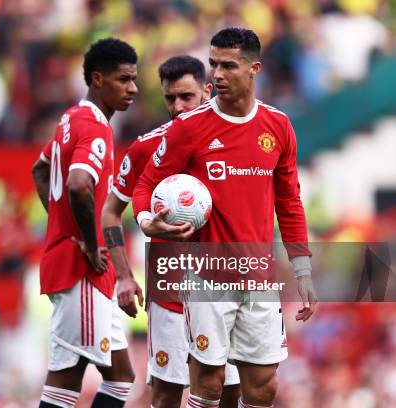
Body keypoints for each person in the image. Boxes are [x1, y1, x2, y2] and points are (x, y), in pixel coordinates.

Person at [132, 28, 318, 408]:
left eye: (228, 66)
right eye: (213, 64)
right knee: (210, 385)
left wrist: (302, 270)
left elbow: (290, 203)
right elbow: (146, 183)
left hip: (259, 272)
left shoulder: (277, 126)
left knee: (262, 386)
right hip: (206, 274)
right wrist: (145, 218)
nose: (216, 74)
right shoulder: (190, 127)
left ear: (254, 69)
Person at [102, 55, 241, 408]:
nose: (177, 107)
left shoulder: (235, 140)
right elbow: (110, 212)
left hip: (223, 284)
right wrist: (123, 276)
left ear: (208, 91)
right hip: (171, 289)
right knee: (166, 392)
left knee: (227, 390)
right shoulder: (147, 147)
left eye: (186, 97)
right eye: (169, 98)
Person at [31, 38, 138, 408]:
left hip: (80, 265)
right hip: (83, 267)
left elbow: (40, 169)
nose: (133, 89)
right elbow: (78, 184)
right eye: (123, 79)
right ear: (97, 79)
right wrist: (89, 242)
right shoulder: (95, 126)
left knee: (122, 379)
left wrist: (62, 224)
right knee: (65, 381)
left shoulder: (70, 119)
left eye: (134, 79)